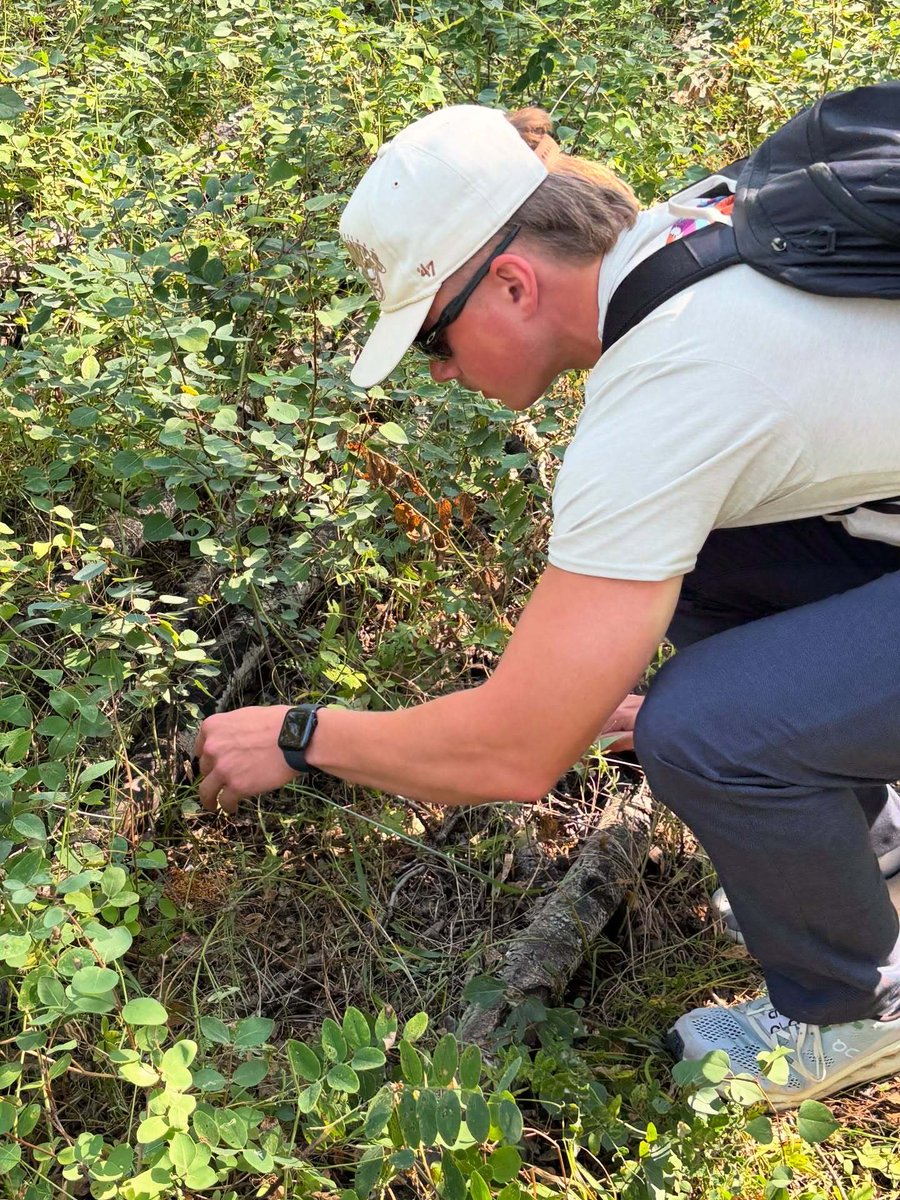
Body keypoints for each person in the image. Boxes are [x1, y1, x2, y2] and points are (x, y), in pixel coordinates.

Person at [194, 104, 900, 1110]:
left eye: (433, 338)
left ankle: (855, 1009)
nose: (441, 372)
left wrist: (302, 737)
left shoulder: (671, 384)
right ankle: (861, 845)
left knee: (705, 731)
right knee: (704, 565)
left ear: (514, 283)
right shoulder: (694, 232)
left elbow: (514, 755)